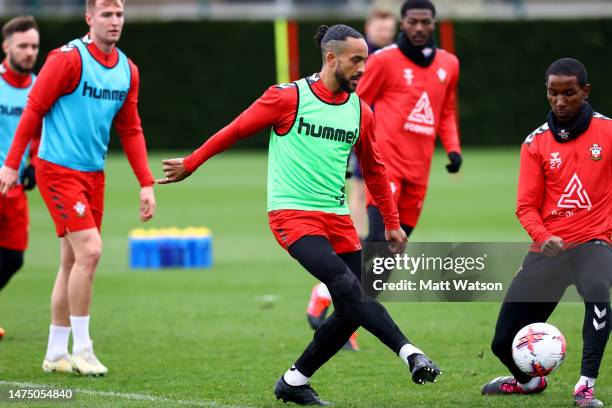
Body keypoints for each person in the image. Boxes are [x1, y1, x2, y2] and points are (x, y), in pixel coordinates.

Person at [158, 24, 441, 406]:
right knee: (346, 286)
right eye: (356, 61)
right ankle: (410, 353)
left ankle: (294, 381)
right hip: (292, 215)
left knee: (351, 307)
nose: (363, 69)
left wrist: (391, 223)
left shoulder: (361, 111)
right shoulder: (287, 97)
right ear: (331, 58)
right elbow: (235, 130)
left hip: (337, 218)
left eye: (366, 61)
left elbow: (374, 170)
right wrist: (192, 163)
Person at [0, 0, 156, 376]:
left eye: (119, 14)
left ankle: (55, 353)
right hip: (58, 171)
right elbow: (34, 108)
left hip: (93, 175)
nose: (114, 21)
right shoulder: (67, 59)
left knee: (71, 261)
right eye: (106, 14)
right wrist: (11, 163)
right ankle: (83, 349)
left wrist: (146, 183)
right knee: (91, 251)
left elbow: (131, 128)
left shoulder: (127, 71)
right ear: (90, 19)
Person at [481, 58, 611, 408]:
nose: (560, 101)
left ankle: (585, 386)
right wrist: (543, 237)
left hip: (594, 242)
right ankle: (528, 382)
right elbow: (525, 207)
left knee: (598, 289)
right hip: (549, 248)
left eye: (569, 93)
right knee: (501, 341)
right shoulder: (535, 143)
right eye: (553, 93)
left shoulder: (608, 133)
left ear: (585, 92)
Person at [306, 7, 399, 352]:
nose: (385, 30)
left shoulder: (391, 61)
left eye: (390, 25)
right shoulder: (359, 64)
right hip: (367, 158)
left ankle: (331, 305)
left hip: (395, 162)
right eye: (379, 24)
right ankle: (339, 312)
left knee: (377, 249)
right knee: (364, 241)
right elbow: (345, 108)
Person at [356, 0, 462, 244]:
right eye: (412, 22)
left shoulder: (449, 64)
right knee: (378, 238)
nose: (419, 28)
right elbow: (356, 106)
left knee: (396, 244)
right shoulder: (383, 61)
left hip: (419, 168)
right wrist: (345, 149)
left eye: (425, 22)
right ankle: (335, 283)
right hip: (385, 163)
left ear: (433, 24)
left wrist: (453, 149)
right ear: (402, 24)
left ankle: (345, 281)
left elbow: (445, 111)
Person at [0, 15, 40, 337]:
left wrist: (35, 164)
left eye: (34, 46)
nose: (29, 52)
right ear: (6, 47)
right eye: (23, 46)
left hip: (14, 188)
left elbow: (41, 132)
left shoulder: (40, 86)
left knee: (13, 257)